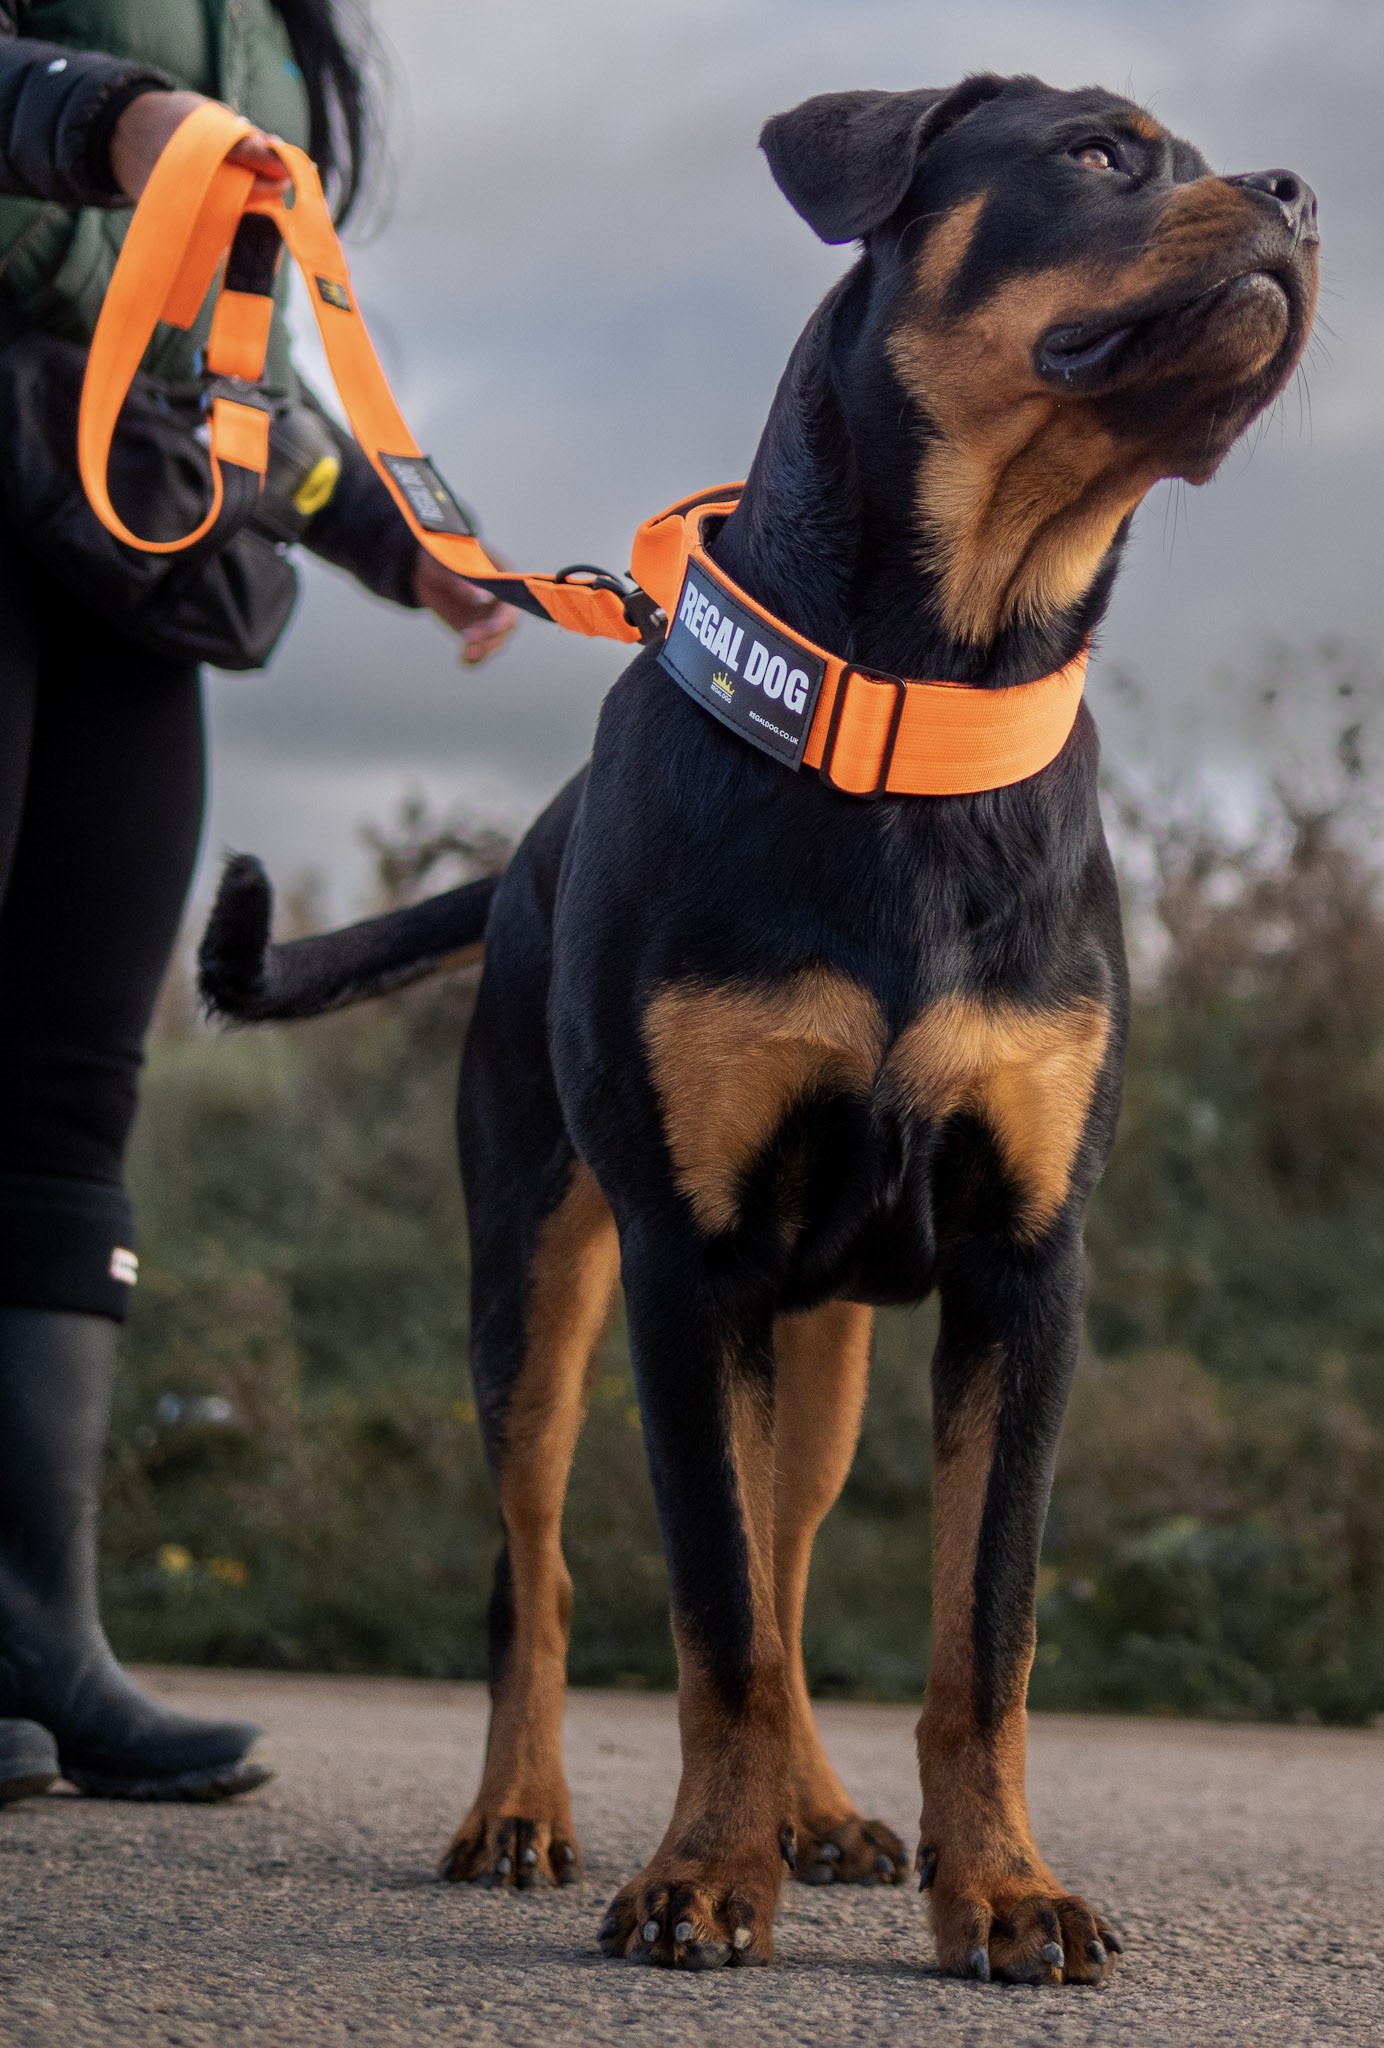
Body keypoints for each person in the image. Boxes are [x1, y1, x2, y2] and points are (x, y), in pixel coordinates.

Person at [0, 0, 516, 1805]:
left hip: (123, 536)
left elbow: (241, 367)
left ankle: (36, 1641)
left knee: (74, 1090)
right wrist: (97, 115)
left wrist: (408, 547)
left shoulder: (280, 29)